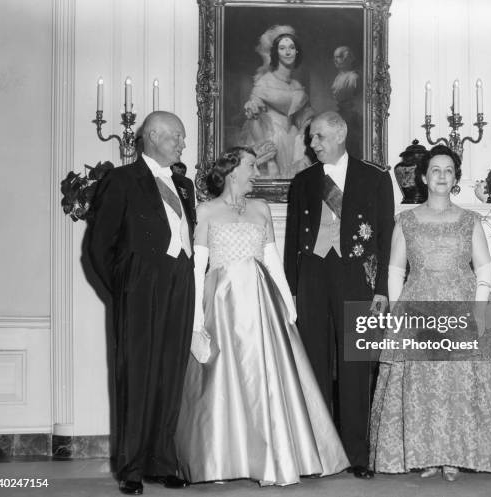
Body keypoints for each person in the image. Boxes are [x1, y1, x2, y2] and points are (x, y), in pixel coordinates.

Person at [175, 146, 349, 486]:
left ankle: (275, 458)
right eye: (251, 166)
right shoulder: (206, 210)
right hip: (223, 303)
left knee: (267, 382)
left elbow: (272, 260)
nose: (257, 171)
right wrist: (196, 324)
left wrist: (289, 306)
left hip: (262, 300)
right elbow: (198, 269)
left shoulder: (260, 208)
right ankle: (222, 460)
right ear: (231, 170)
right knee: (223, 382)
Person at [369, 145, 491, 480]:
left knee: (459, 382)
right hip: (419, 302)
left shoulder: (469, 220)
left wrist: (478, 307)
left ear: (456, 177)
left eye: (448, 170)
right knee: (424, 384)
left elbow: (484, 264)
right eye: (435, 170)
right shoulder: (405, 221)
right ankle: (428, 456)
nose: (442, 176)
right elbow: (393, 269)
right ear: (423, 176)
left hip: (461, 301)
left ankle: (454, 456)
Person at [284, 111, 395, 479]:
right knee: (314, 363)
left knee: (355, 364)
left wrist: (381, 290)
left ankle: (356, 454)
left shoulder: (375, 178)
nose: (312, 144)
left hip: (356, 277)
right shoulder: (303, 180)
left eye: (318, 137)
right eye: (311, 138)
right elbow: (290, 241)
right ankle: (319, 451)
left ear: (341, 133)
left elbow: (384, 236)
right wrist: (291, 290)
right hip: (312, 275)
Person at [89, 111, 195, 495]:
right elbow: (98, 247)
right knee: (136, 376)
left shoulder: (185, 185)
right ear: (151, 136)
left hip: (180, 286)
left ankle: (162, 461)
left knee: (170, 373)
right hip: (139, 288)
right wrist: (123, 288)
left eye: (182, 138)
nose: (183, 144)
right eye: (176, 137)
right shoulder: (121, 179)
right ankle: (131, 467)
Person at [242, 25, 314, 179]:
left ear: (297, 51)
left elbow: (305, 119)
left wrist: (301, 137)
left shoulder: (297, 85)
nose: (287, 52)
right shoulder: (264, 82)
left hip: (293, 142)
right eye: (282, 48)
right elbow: (253, 118)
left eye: (291, 47)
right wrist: (265, 148)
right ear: (276, 53)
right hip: (271, 139)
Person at [331, 46, 361, 158]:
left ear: (347, 58)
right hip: (341, 113)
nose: (335, 60)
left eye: (338, 57)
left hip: (349, 115)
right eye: (334, 57)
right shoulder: (339, 77)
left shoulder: (353, 78)